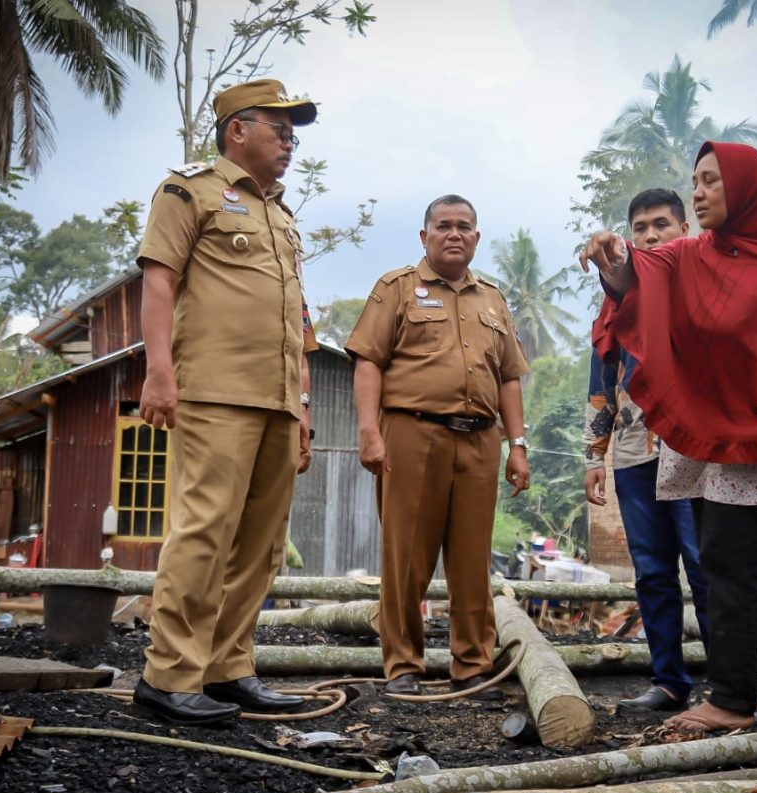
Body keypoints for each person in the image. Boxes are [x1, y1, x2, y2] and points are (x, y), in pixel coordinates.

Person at [579, 142, 757, 734]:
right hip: (704, 436)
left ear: (747, 189)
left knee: (725, 560)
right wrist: (612, 260)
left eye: (711, 182)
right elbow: (636, 277)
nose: (698, 193)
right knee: (734, 559)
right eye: (695, 182)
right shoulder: (690, 254)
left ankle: (731, 700)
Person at [134, 78, 319, 725]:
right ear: (237, 129)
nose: (290, 138)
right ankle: (168, 674)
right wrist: (160, 371)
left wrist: (301, 401)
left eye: (294, 129)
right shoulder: (188, 191)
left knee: (262, 544)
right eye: (279, 126)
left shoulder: (282, 216)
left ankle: (227, 664)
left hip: (275, 402)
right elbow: (159, 282)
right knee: (204, 530)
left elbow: (295, 317)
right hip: (212, 391)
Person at [345, 194, 531, 697]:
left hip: (479, 441)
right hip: (411, 433)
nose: (454, 234)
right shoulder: (397, 288)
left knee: (473, 561)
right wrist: (369, 431)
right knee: (407, 556)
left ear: (476, 236)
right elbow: (368, 362)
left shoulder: (492, 298)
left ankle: (471, 665)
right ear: (424, 236)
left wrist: (518, 445)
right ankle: (403, 666)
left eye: (464, 226)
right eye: (443, 225)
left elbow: (510, 377)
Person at [583, 188, 710, 712]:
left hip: (695, 453)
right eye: (641, 227)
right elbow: (601, 383)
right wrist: (595, 456)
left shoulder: (700, 286)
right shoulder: (616, 305)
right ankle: (669, 682)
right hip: (636, 455)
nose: (652, 235)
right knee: (653, 571)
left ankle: (729, 683)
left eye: (662, 224)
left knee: (706, 567)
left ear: (684, 230)